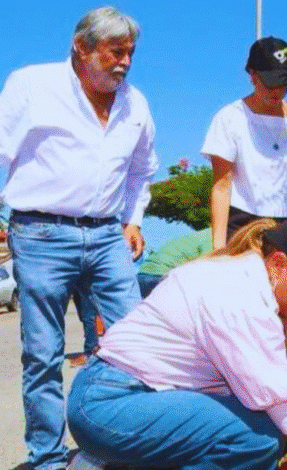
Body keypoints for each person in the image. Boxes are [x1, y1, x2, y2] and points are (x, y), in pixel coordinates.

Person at [67, 217, 287, 470]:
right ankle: (113, 460)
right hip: (110, 404)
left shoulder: (262, 287)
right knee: (257, 438)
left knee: (270, 416)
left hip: (146, 395)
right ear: (279, 264)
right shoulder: (237, 298)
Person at [0, 7, 158, 469]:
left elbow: (142, 170)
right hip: (41, 233)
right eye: (115, 51)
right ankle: (47, 458)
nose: (125, 62)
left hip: (109, 235)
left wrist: (134, 220)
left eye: (130, 53)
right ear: (82, 47)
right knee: (44, 354)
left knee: (136, 343)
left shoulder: (136, 104)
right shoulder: (32, 86)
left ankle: (124, 446)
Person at [203, 36, 287, 249]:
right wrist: (219, 248)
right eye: (270, 82)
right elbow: (221, 186)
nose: (277, 90)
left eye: (284, 83)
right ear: (252, 75)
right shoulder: (230, 118)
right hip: (247, 227)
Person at [136, 227, 212, 297]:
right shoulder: (213, 238)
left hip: (143, 274)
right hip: (161, 276)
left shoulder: (202, 235)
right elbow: (207, 267)